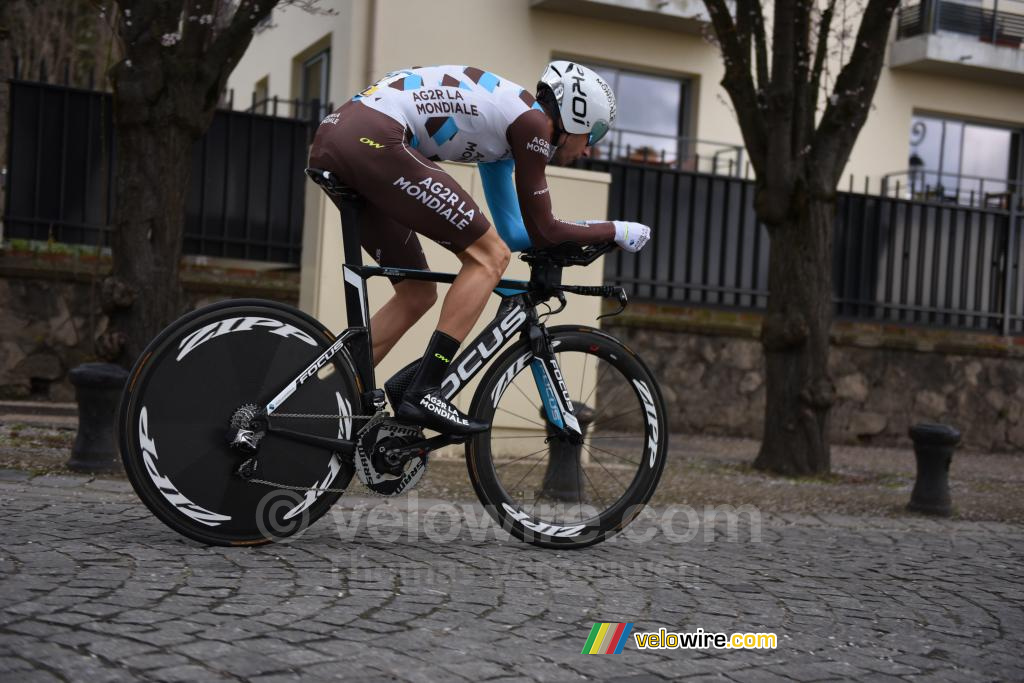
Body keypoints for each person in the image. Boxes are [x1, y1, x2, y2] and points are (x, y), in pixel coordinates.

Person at [307, 61, 652, 435]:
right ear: (575, 114)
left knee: (417, 293)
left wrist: (580, 239)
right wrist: (616, 230)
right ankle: (424, 390)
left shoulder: (507, 130)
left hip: (341, 138)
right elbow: (545, 229)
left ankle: (311, 403)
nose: (588, 149)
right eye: (594, 133)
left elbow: (517, 233)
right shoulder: (534, 124)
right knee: (489, 258)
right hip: (374, 138)